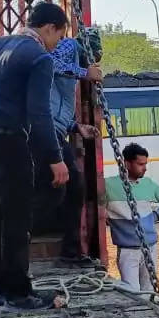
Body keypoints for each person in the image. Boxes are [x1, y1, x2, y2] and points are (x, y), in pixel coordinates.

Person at [0, 1, 70, 311]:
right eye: (58, 37)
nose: (56, 44)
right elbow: (39, 113)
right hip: (5, 139)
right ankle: (20, 293)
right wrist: (54, 157)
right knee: (17, 216)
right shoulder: (38, 57)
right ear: (49, 28)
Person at [104, 142, 159, 318]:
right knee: (132, 298)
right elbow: (95, 208)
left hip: (150, 249)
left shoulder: (149, 185)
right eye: (140, 164)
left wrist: (154, 217)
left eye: (145, 164)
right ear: (126, 163)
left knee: (148, 296)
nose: (144, 168)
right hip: (128, 251)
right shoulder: (108, 186)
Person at [48, 31, 103, 265]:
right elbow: (49, 63)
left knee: (73, 189)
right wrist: (84, 73)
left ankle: (70, 252)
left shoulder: (73, 65)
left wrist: (75, 126)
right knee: (66, 189)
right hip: (44, 130)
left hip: (57, 130)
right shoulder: (69, 46)